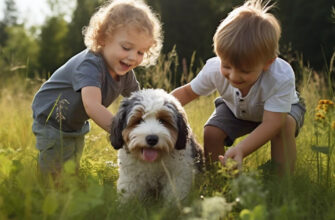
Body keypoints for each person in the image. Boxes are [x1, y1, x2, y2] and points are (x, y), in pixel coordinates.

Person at [171, 0, 305, 175]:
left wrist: (241, 148)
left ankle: (281, 182)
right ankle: (216, 178)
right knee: (212, 132)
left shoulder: (280, 75)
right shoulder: (213, 69)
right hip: (235, 108)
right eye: (226, 66)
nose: (233, 76)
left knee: (284, 126)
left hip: (279, 114)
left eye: (245, 70)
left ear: (267, 63)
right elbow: (187, 92)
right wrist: (160, 107)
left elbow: (272, 123)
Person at [32, 0, 162, 177]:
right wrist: (122, 132)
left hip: (75, 124)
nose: (132, 57)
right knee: (54, 170)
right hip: (51, 120)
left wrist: (155, 119)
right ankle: (44, 193)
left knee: (71, 164)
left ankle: (67, 190)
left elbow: (139, 100)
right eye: (126, 47)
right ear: (103, 39)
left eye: (140, 52)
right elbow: (92, 106)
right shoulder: (90, 65)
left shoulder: (125, 72)